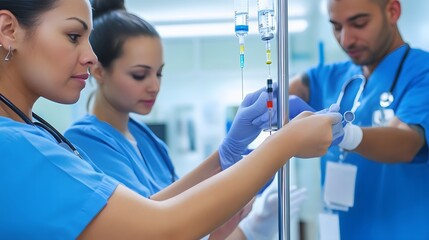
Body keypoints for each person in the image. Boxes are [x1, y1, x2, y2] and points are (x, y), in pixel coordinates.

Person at [0, 0, 342, 239]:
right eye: (74, 36)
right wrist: (285, 143)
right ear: (8, 29)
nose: (90, 57)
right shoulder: (15, 147)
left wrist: (227, 155)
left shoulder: (35, 137)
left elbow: (144, 212)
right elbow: (160, 228)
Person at [288, 0, 429, 239]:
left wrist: (346, 135)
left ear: (392, 11)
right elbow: (292, 90)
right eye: (337, 27)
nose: (346, 40)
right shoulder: (336, 75)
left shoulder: (422, 71)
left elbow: (406, 142)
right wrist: (270, 103)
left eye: (359, 23)